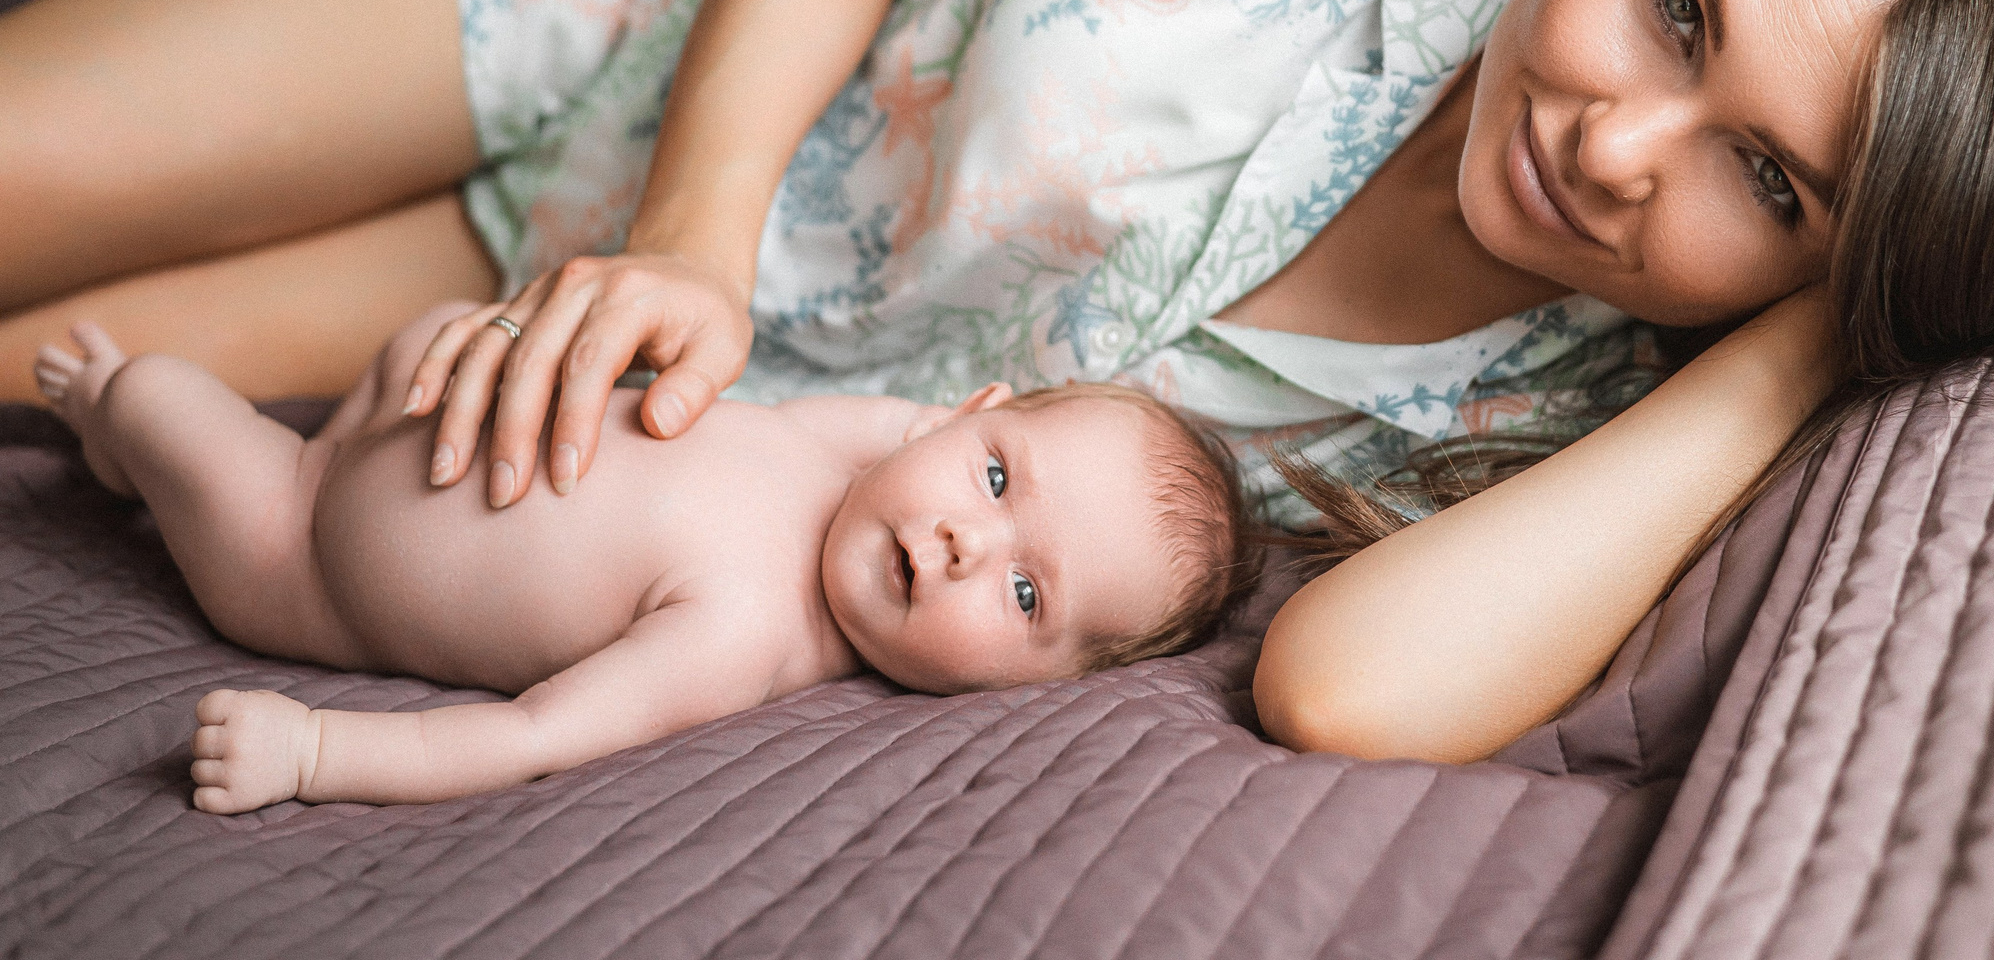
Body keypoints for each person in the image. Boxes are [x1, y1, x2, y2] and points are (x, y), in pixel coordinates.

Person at [0, 0, 1994, 764]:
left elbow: (1340, 687)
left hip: (550, 334)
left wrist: (1805, 338)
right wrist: (694, 240)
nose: (1619, 141)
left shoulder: (1565, 414)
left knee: (45, 364)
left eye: (1769, 177)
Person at [32, 305, 1251, 811]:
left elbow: (536, 735)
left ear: (1040, 687)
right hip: (408, 409)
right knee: (456, 318)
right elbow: (919, 432)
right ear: (961, 411)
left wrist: (313, 751)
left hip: (301, 540)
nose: (962, 537)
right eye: (995, 477)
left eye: (1025, 591)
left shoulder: (745, 629)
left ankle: (108, 426)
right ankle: (140, 438)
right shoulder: (855, 453)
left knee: (160, 392)